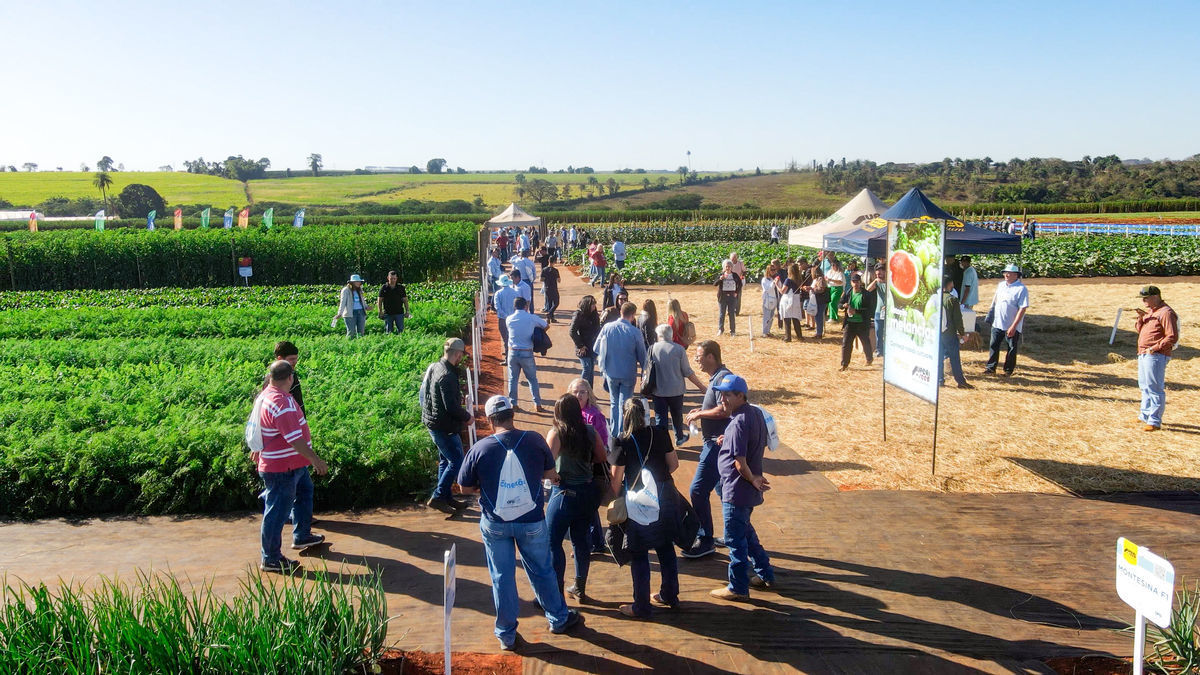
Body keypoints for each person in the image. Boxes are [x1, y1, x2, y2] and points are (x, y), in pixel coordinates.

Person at [457, 396, 584, 650]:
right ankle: (558, 619)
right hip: (531, 521)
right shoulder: (534, 440)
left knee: (502, 577)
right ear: (512, 414)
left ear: (490, 420)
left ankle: (506, 635)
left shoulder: (480, 449)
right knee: (542, 570)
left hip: (496, 524)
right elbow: (549, 474)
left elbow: (464, 487)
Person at [253, 360, 328, 574]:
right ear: (290, 378)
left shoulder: (267, 395)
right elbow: (294, 439)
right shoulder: (281, 403)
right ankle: (271, 558)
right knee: (277, 512)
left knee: (305, 491)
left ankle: (302, 535)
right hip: (282, 467)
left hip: (292, 464)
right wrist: (315, 460)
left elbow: (258, 425)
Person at [609, 397, 680, 618]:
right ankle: (669, 594)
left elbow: (615, 480)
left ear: (625, 415)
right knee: (665, 547)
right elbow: (674, 464)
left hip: (638, 502)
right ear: (646, 413)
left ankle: (641, 606)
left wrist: (615, 497)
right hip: (664, 496)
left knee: (639, 553)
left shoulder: (621, 441)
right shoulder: (660, 433)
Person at [709, 374, 775, 601]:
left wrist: (752, 479)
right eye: (721, 394)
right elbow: (749, 441)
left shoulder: (738, 422)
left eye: (727, 395)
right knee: (747, 533)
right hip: (746, 493)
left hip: (736, 490)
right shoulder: (755, 413)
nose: (722, 399)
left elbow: (739, 463)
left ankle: (737, 587)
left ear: (740, 396)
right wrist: (727, 439)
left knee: (735, 541)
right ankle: (765, 573)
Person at [545, 394, 608, 601]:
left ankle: (556, 590)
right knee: (580, 541)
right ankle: (579, 587)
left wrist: (554, 476)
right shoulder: (589, 431)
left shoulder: (556, 433)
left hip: (564, 494)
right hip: (587, 493)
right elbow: (602, 456)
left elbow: (546, 465)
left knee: (553, 543)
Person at [681, 340, 731, 558]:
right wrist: (700, 410)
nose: (696, 359)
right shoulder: (716, 377)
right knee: (723, 491)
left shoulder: (722, 378)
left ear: (711, 357)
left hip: (716, 446)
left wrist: (701, 414)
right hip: (714, 444)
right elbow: (717, 407)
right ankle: (731, 534)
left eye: (699, 356)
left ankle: (705, 539)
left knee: (698, 490)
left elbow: (725, 410)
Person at [421, 337, 473, 514]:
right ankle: (438, 497)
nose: (461, 359)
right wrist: (467, 417)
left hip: (434, 423)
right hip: (444, 427)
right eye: (461, 355)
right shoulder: (447, 376)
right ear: (457, 354)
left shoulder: (436, 366)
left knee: (445, 460)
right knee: (456, 461)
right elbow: (451, 406)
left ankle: (446, 497)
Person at [569, 377, 611, 555]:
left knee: (586, 505)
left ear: (589, 394)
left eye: (582, 392)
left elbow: (603, 443)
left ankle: (590, 544)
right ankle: (596, 542)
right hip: (576, 465)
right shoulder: (568, 413)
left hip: (590, 466)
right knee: (587, 506)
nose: (578, 395)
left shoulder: (594, 415)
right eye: (575, 392)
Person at [593, 302, 647, 436]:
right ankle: (622, 433)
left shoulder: (607, 328)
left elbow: (596, 348)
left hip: (611, 372)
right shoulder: (635, 332)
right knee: (625, 404)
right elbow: (642, 356)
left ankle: (614, 433)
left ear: (620, 312)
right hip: (628, 373)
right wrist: (645, 372)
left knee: (614, 403)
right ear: (633, 315)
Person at [647, 324, 706, 446]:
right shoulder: (679, 349)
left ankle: (662, 444)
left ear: (659, 335)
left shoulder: (652, 349)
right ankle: (679, 437)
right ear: (672, 335)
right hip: (676, 391)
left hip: (658, 390)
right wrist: (701, 386)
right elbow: (687, 372)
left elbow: (646, 369)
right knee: (677, 416)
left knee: (660, 418)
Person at [1134, 286, 1180, 431]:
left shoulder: (1166, 313)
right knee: (1144, 386)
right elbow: (1140, 330)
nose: (1143, 301)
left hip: (1155, 355)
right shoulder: (1151, 311)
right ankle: (1145, 415)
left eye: (1146, 298)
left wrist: (1154, 348)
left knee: (1154, 388)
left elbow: (1171, 337)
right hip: (1144, 353)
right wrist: (1141, 319)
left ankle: (1154, 421)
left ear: (1155, 297)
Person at [983, 264, 1029, 376]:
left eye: (1009, 273)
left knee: (1011, 348)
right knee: (993, 345)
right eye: (1005, 273)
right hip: (997, 322)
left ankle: (1008, 370)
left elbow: (1022, 308)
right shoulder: (1001, 285)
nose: (1006, 275)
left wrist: (1013, 326)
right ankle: (990, 367)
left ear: (1016, 275)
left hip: (1011, 324)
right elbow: (995, 302)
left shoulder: (1021, 289)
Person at [506, 297, 548, 413]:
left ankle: (513, 404)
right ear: (526, 306)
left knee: (513, 379)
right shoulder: (531, 318)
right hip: (527, 352)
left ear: (514, 306)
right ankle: (537, 404)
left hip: (512, 352)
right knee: (532, 379)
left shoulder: (509, 319)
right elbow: (546, 325)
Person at [939, 277, 972, 389]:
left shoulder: (935, 298)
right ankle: (960, 381)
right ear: (949, 284)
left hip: (938, 333)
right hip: (949, 333)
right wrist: (962, 334)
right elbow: (958, 319)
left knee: (939, 357)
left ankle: (939, 380)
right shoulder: (952, 300)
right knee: (954, 358)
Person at [838, 273, 875, 371]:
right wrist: (843, 306)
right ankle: (844, 364)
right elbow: (840, 304)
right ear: (851, 283)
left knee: (865, 341)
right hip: (849, 323)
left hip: (862, 323)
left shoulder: (866, 294)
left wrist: (857, 311)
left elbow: (870, 310)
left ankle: (869, 359)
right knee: (846, 343)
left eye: (857, 282)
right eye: (854, 282)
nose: (856, 284)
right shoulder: (848, 293)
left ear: (860, 282)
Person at [569, 295, 602, 387]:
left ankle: (589, 391)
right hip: (583, 347)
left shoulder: (594, 314)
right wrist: (580, 345)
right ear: (587, 304)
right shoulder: (578, 314)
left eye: (594, 304)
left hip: (593, 346)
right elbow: (572, 331)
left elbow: (598, 329)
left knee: (591, 369)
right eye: (592, 304)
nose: (594, 306)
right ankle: (581, 389)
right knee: (587, 368)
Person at [273, 341, 305, 414]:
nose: (295, 361)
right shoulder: (275, 379)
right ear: (280, 359)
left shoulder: (292, 374)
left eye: (296, 358)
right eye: (291, 359)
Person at [775, 263, 804, 343]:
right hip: (796, 300)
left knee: (787, 318)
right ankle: (799, 336)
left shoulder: (788, 280)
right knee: (795, 318)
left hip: (788, 300)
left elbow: (782, 291)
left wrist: (776, 284)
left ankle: (788, 337)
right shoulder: (799, 279)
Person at [493, 274, 518, 362]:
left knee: (506, 339)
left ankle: (508, 358)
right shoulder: (514, 292)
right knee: (513, 338)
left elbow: (497, 307)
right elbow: (517, 306)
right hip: (513, 319)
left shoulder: (498, 293)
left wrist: (505, 316)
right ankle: (512, 356)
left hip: (503, 320)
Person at [334, 274, 369, 338]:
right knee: (351, 332)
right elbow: (343, 302)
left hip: (361, 312)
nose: (359, 283)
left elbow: (362, 301)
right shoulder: (346, 290)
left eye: (359, 281)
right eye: (357, 281)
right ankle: (349, 343)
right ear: (352, 282)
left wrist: (366, 307)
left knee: (361, 332)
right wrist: (339, 313)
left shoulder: (359, 290)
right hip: (350, 313)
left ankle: (360, 343)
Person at [377, 270, 410, 334]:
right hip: (388, 313)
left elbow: (405, 300)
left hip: (399, 313)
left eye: (394, 278)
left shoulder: (401, 288)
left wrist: (407, 311)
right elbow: (379, 300)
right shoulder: (384, 287)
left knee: (401, 331)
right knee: (389, 331)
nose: (393, 280)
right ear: (388, 278)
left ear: (396, 278)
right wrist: (380, 311)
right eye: (391, 278)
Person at [715, 260, 741, 336]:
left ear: (731, 267)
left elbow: (740, 284)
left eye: (729, 266)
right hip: (722, 296)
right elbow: (715, 284)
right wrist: (720, 279)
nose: (727, 268)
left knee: (732, 314)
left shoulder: (735, 275)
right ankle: (720, 329)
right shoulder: (721, 275)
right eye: (726, 266)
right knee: (722, 314)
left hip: (732, 297)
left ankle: (732, 331)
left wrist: (736, 292)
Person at [866, 263, 887, 357]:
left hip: (888, 312)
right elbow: (867, 290)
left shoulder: (890, 283)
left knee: (886, 333)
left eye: (880, 274)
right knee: (878, 332)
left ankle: (886, 350)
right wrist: (875, 281)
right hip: (878, 311)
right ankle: (879, 350)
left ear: (885, 272)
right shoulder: (877, 282)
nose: (879, 276)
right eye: (877, 274)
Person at [810, 265, 829, 338]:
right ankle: (818, 331)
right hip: (817, 300)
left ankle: (819, 333)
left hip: (821, 300)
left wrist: (812, 289)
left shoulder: (820, 279)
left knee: (819, 316)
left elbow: (821, 289)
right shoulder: (817, 279)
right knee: (817, 316)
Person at [759, 264, 778, 338]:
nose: (773, 271)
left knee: (771, 316)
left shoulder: (772, 279)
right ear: (768, 271)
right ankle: (764, 332)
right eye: (772, 270)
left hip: (773, 299)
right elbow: (768, 289)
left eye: (774, 270)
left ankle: (768, 331)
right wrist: (774, 283)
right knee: (766, 316)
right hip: (767, 299)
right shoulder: (764, 279)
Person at [542, 258, 561, 323]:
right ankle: (549, 314)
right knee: (556, 303)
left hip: (547, 288)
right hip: (554, 288)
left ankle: (551, 318)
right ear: (554, 262)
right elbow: (559, 280)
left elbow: (541, 279)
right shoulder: (555, 270)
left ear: (548, 261)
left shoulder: (544, 270)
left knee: (549, 303)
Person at [826, 259, 845, 324]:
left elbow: (840, 282)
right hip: (830, 287)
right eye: (832, 265)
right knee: (829, 302)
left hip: (837, 288)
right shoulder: (829, 272)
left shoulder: (840, 273)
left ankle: (833, 318)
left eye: (834, 265)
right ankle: (831, 316)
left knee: (833, 302)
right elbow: (826, 278)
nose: (833, 266)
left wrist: (831, 280)